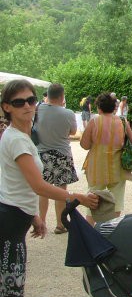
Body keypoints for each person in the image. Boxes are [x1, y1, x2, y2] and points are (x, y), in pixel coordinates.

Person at [0, 79, 98, 297]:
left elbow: (13, 182)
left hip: (15, 218)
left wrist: (34, 214)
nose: (27, 105)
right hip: (9, 223)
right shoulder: (16, 139)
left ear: (38, 101)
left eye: (31, 100)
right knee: (8, 295)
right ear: (7, 107)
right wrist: (76, 196)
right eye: (19, 102)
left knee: (8, 293)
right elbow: (38, 185)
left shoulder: (20, 136)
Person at [80, 92, 132, 224]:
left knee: (93, 199)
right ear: (114, 107)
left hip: (97, 166)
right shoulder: (122, 121)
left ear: (99, 107)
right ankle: (110, 231)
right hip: (117, 166)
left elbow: (85, 145)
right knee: (116, 200)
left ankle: (89, 232)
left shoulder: (94, 121)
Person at [35, 83, 79, 235]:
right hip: (62, 154)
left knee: (43, 190)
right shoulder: (68, 113)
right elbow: (73, 132)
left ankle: (41, 220)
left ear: (47, 95)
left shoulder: (37, 109)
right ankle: (60, 224)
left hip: (42, 155)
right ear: (62, 96)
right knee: (61, 190)